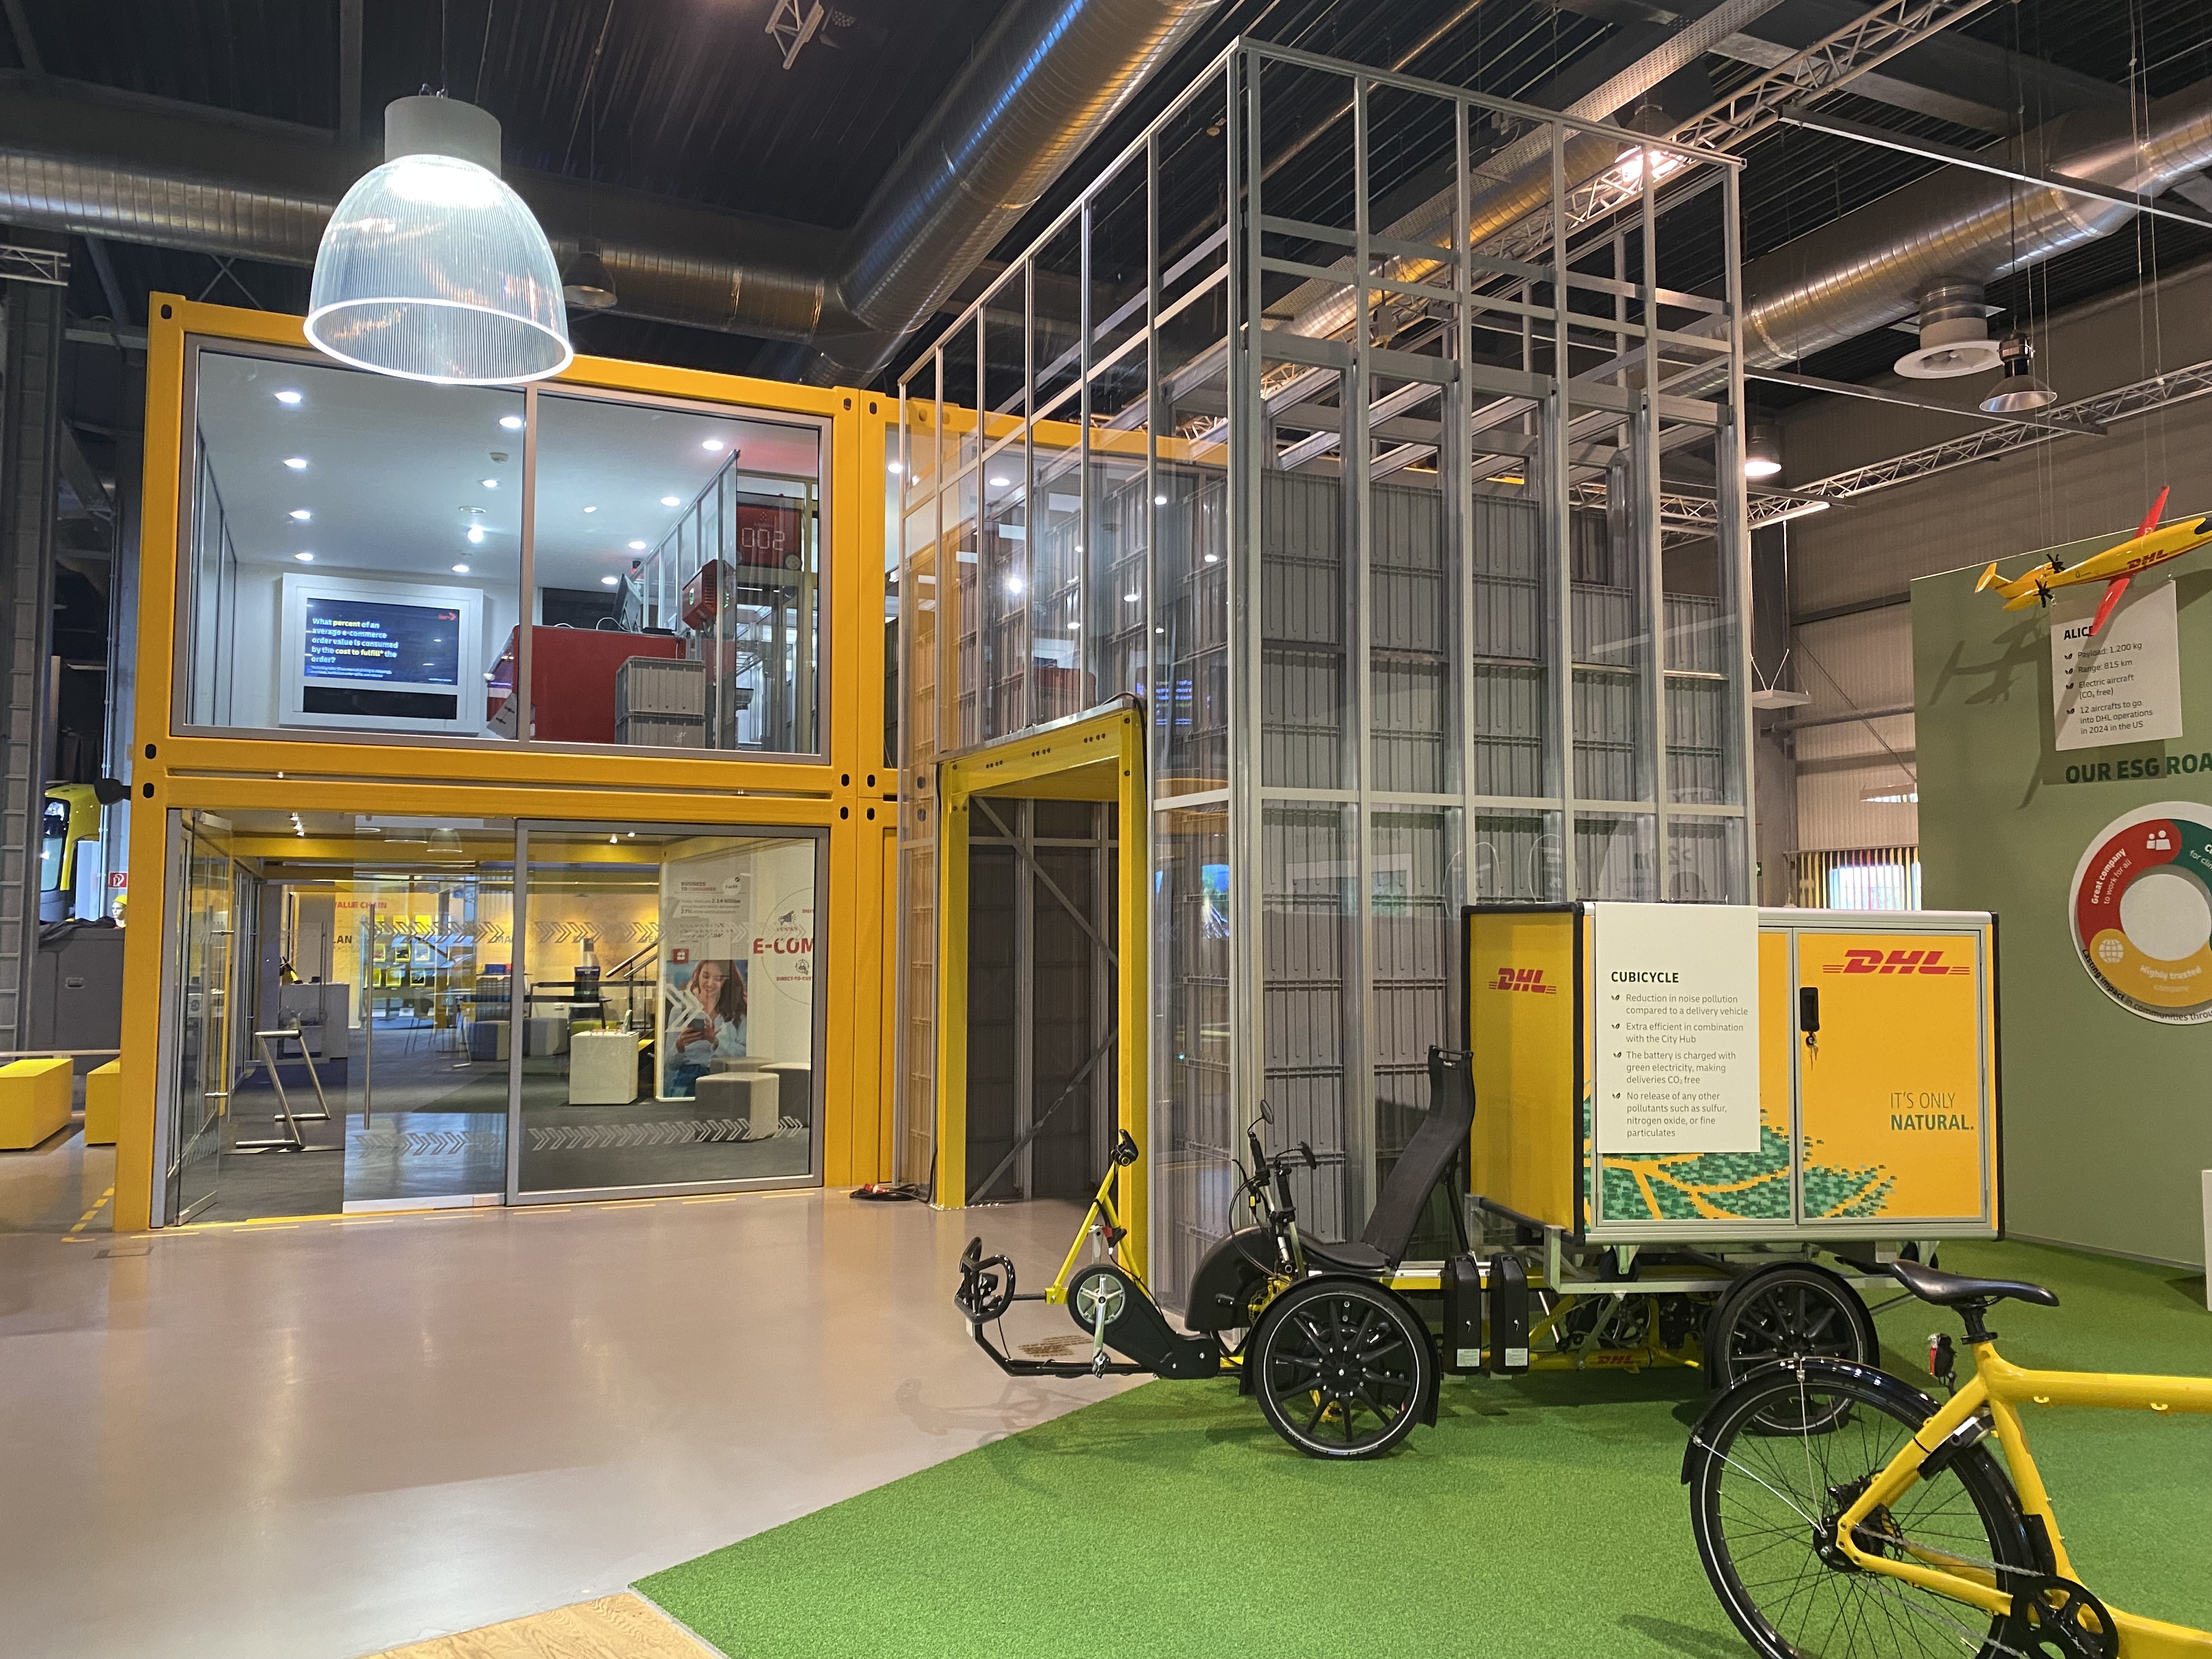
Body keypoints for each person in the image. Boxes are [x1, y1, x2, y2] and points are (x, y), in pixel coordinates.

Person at [668, 958, 747, 1097]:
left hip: (725, 1077)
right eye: (706, 976)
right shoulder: (681, 1011)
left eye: (718, 979)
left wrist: (715, 1042)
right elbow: (670, 1064)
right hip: (688, 1078)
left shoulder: (738, 1014)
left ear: (726, 982)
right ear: (698, 975)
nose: (710, 983)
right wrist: (679, 1046)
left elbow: (745, 1054)